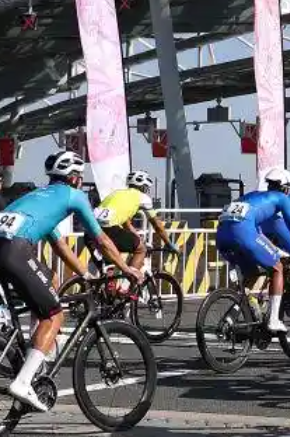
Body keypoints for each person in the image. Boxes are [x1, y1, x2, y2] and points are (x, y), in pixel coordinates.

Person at [0, 152, 140, 411]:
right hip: (14, 251)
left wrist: (85, 275)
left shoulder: (37, 197)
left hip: (5, 246)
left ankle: (30, 356)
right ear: (75, 178)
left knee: (47, 285)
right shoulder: (74, 196)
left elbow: (60, 246)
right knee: (54, 315)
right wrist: (127, 269)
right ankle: (23, 381)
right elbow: (102, 240)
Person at [214, 167, 290, 333]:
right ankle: (273, 319)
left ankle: (231, 317)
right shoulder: (281, 198)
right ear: (285, 188)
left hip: (221, 236)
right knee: (277, 268)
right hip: (242, 233)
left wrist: (274, 249)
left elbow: (258, 232)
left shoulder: (252, 196)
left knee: (252, 274)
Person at [91, 170, 173, 275]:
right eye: (146, 188)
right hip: (109, 230)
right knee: (141, 249)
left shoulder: (116, 193)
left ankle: (104, 283)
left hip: (90, 230)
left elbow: (126, 224)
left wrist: (138, 239)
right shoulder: (143, 198)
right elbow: (157, 225)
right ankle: (130, 280)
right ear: (143, 187)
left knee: (109, 268)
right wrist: (169, 243)